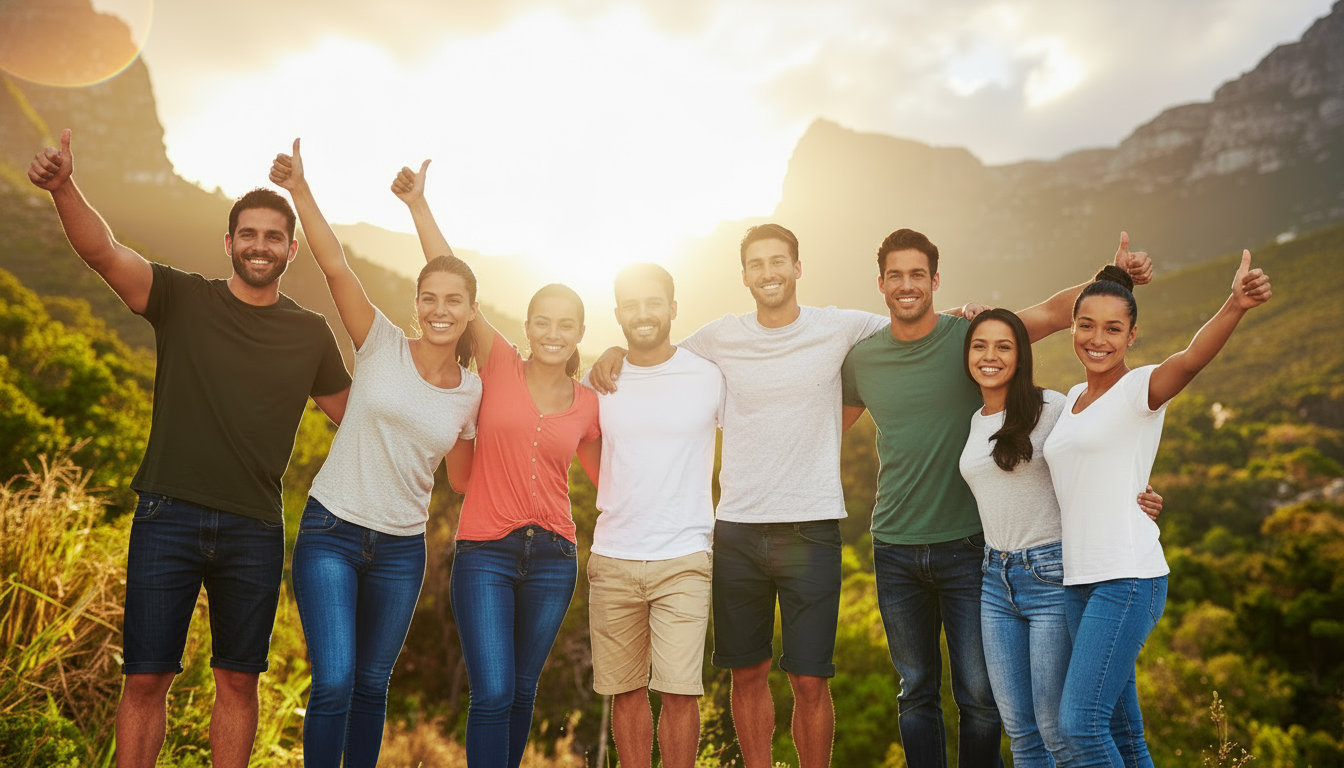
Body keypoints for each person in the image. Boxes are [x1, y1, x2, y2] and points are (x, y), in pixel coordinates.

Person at [27, 129, 351, 768]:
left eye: (274, 237)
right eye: (249, 234)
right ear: (229, 243)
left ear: (291, 250)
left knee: (238, 679)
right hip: (166, 514)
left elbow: (358, 422)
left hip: (254, 526)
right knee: (146, 678)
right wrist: (65, 187)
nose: (261, 245)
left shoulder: (310, 334)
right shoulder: (181, 298)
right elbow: (104, 252)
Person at [840, 228, 1151, 768]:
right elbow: (822, 433)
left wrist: (1112, 276)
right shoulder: (862, 360)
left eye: (918, 274)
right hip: (893, 546)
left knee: (982, 700)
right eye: (896, 275)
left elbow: (1057, 315)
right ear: (881, 283)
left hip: (972, 551)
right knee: (914, 689)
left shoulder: (969, 337)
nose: (907, 285)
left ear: (935, 280)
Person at [591, 223, 900, 768]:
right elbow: (655, 352)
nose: (768, 273)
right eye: (756, 264)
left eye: (778, 261)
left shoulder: (841, 326)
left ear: (798, 267)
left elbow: (910, 326)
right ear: (744, 276)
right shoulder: (718, 338)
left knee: (809, 676)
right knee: (747, 671)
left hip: (811, 528)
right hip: (735, 530)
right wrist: (614, 348)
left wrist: (969, 316)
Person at [268, 141, 481, 767]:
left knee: (369, 686)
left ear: (471, 312)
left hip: (400, 549)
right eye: (430, 298)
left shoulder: (473, 392)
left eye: (454, 301)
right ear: (417, 303)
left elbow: (465, 481)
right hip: (332, 530)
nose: (440, 310)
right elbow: (336, 267)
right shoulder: (381, 342)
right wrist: (301, 190)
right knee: (334, 680)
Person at [391, 160, 601, 768]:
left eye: (567, 325)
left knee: (524, 692)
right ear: (527, 326)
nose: (553, 333)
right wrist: (419, 207)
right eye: (543, 322)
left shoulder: (591, 402)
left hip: (555, 557)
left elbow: (616, 477)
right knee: (495, 691)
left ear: (580, 331)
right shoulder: (500, 361)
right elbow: (453, 281)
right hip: (486, 551)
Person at [1044, 255, 1271, 767]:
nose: (1097, 339)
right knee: (1123, 733)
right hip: (1079, 579)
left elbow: (1190, 359)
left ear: (1132, 336)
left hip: (1127, 576)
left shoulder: (1139, 389)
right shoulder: (1074, 396)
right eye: (1086, 326)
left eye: (1113, 328)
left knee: (1079, 726)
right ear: (1073, 329)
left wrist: (1235, 305)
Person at [958, 308, 1162, 767]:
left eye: (1004, 346)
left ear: (1022, 355)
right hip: (994, 581)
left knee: (1060, 733)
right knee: (1022, 734)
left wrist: (1142, 493)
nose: (990, 356)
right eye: (979, 345)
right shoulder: (973, 421)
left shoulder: (1052, 407)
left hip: (1051, 575)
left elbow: (1104, 446)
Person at [581, 263, 724, 768]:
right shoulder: (599, 380)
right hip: (613, 557)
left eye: (653, 303)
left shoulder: (708, 377)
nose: (643, 315)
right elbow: (584, 443)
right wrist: (619, 491)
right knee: (625, 691)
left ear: (673, 308)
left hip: (684, 556)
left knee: (681, 692)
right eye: (632, 305)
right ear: (618, 313)